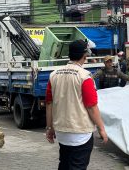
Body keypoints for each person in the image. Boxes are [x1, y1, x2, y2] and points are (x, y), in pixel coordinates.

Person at [45, 40, 108, 170]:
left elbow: (49, 103)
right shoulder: (85, 77)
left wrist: (49, 127)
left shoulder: (54, 75)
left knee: (64, 165)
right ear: (85, 56)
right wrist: (101, 128)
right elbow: (91, 106)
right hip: (80, 133)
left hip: (61, 132)